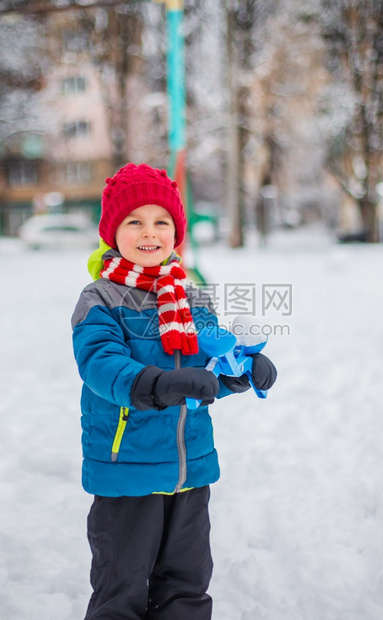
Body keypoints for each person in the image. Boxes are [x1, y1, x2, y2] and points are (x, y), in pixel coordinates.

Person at [71, 163, 277, 620]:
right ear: (112, 232)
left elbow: (207, 365)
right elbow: (100, 366)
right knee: (119, 590)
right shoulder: (101, 298)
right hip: (128, 470)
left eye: (161, 221)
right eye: (134, 221)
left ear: (176, 231)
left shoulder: (190, 296)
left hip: (191, 468)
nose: (150, 232)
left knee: (186, 586)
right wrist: (160, 384)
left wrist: (240, 373)